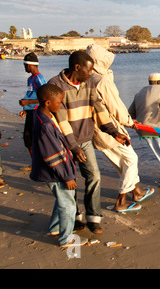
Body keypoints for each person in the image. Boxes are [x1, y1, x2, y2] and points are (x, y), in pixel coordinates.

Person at [48, 50, 130, 234]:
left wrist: (114, 132)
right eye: (89, 69)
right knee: (70, 182)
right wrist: (74, 147)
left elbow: (99, 109)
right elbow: (61, 121)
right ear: (77, 68)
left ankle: (93, 218)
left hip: (85, 140)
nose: (91, 73)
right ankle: (75, 218)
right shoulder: (56, 85)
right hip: (63, 143)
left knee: (94, 177)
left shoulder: (90, 83)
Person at [86, 44, 153, 213]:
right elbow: (115, 106)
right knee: (131, 160)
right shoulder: (101, 80)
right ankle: (121, 201)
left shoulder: (88, 77)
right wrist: (129, 122)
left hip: (96, 129)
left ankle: (136, 191)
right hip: (109, 129)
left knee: (122, 161)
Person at [30, 84, 88, 248]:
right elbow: (52, 156)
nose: (61, 105)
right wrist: (68, 176)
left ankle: (55, 227)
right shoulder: (46, 125)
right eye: (59, 102)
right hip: (55, 173)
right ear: (48, 102)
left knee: (62, 199)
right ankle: (66, 238)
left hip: (54, 171)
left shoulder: (41, 115)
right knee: (68, 204)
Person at [19, 52, 47, 171]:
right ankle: (36, 163)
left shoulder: (39, 78)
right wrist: (25, 109)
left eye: (25, 65)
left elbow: (46, 97)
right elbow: (31, 95)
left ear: (30, 65)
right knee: (28, 139)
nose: (25, 68)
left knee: (32, 139)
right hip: (30, 112)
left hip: (37, 112)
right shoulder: (30, 79)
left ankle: (39, 164)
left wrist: (28, 103)